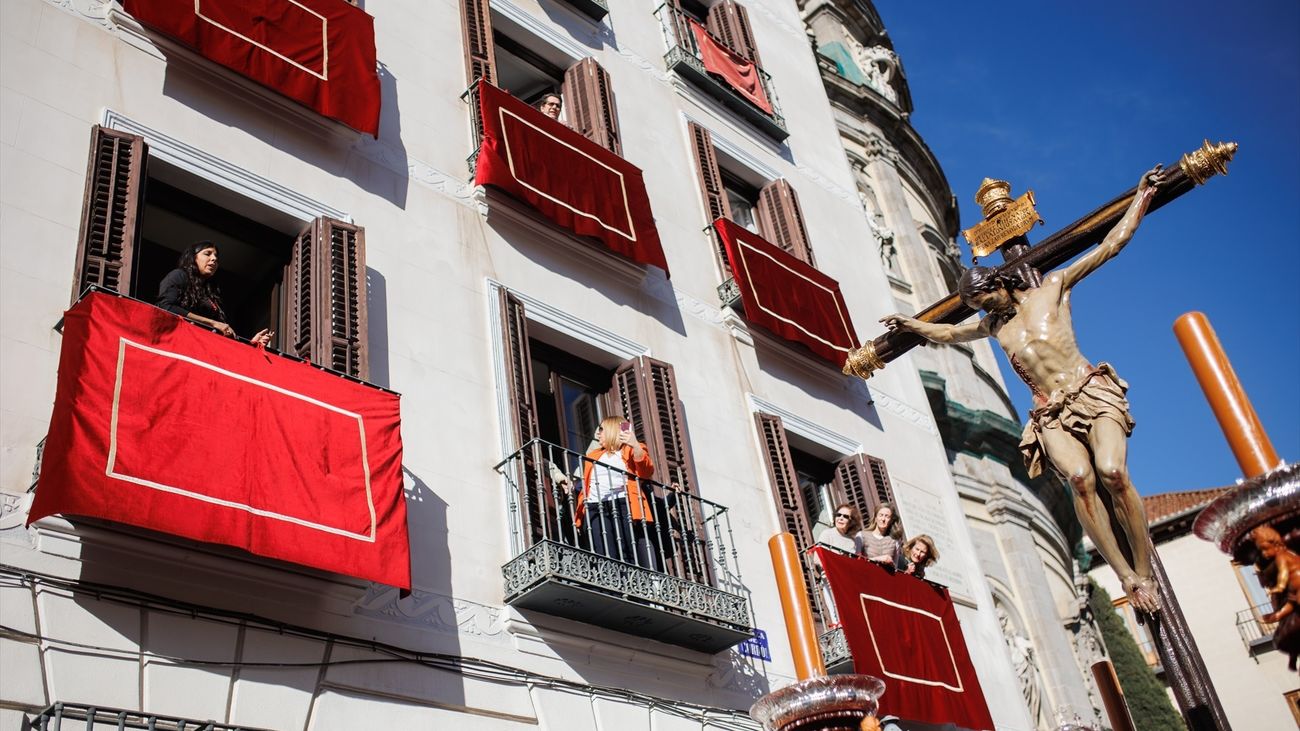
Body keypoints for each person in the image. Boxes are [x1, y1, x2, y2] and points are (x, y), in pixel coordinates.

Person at [879, 165, 1165, 614]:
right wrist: (913, 324)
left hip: (1088, 390)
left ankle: (1144, 569)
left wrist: (1141, 198)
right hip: (1050, 412)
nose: (982, 310)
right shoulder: (995, 327)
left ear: (996, 284)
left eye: (983, 300)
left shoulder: (1051, 289)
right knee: (1079, 480)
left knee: (1111, 472)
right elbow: (950, 335)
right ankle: (1128, 577)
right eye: (975, 307)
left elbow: (1109, 246)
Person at [574, 416, 657, 569]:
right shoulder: (593, 455)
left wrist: (634, 444)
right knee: (602, 551)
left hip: (622, 503)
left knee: (626, 548)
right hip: (594, 505)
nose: (598, 434)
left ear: (612, 430)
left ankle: (630, 586)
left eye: (601, 430)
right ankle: (612, 587)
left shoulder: (629, 449)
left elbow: (646, 472)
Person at [156, 241, 271, 346]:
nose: (214, 259)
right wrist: (212, 323)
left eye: (216, 256)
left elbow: (223, 334)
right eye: (208, 254)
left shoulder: (212, 293)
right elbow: (166, 307)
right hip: (181, 343)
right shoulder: (179, 275)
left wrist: (252, 344)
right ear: (193, 258)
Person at [814, 503, 863, 626]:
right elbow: (817, 559)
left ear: (851, 521)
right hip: (831, 580)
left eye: (845, 516)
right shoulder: (827, 534)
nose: (840, 518)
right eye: (838, 515)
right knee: (839, 618)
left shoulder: (852, 542)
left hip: (848, 584)